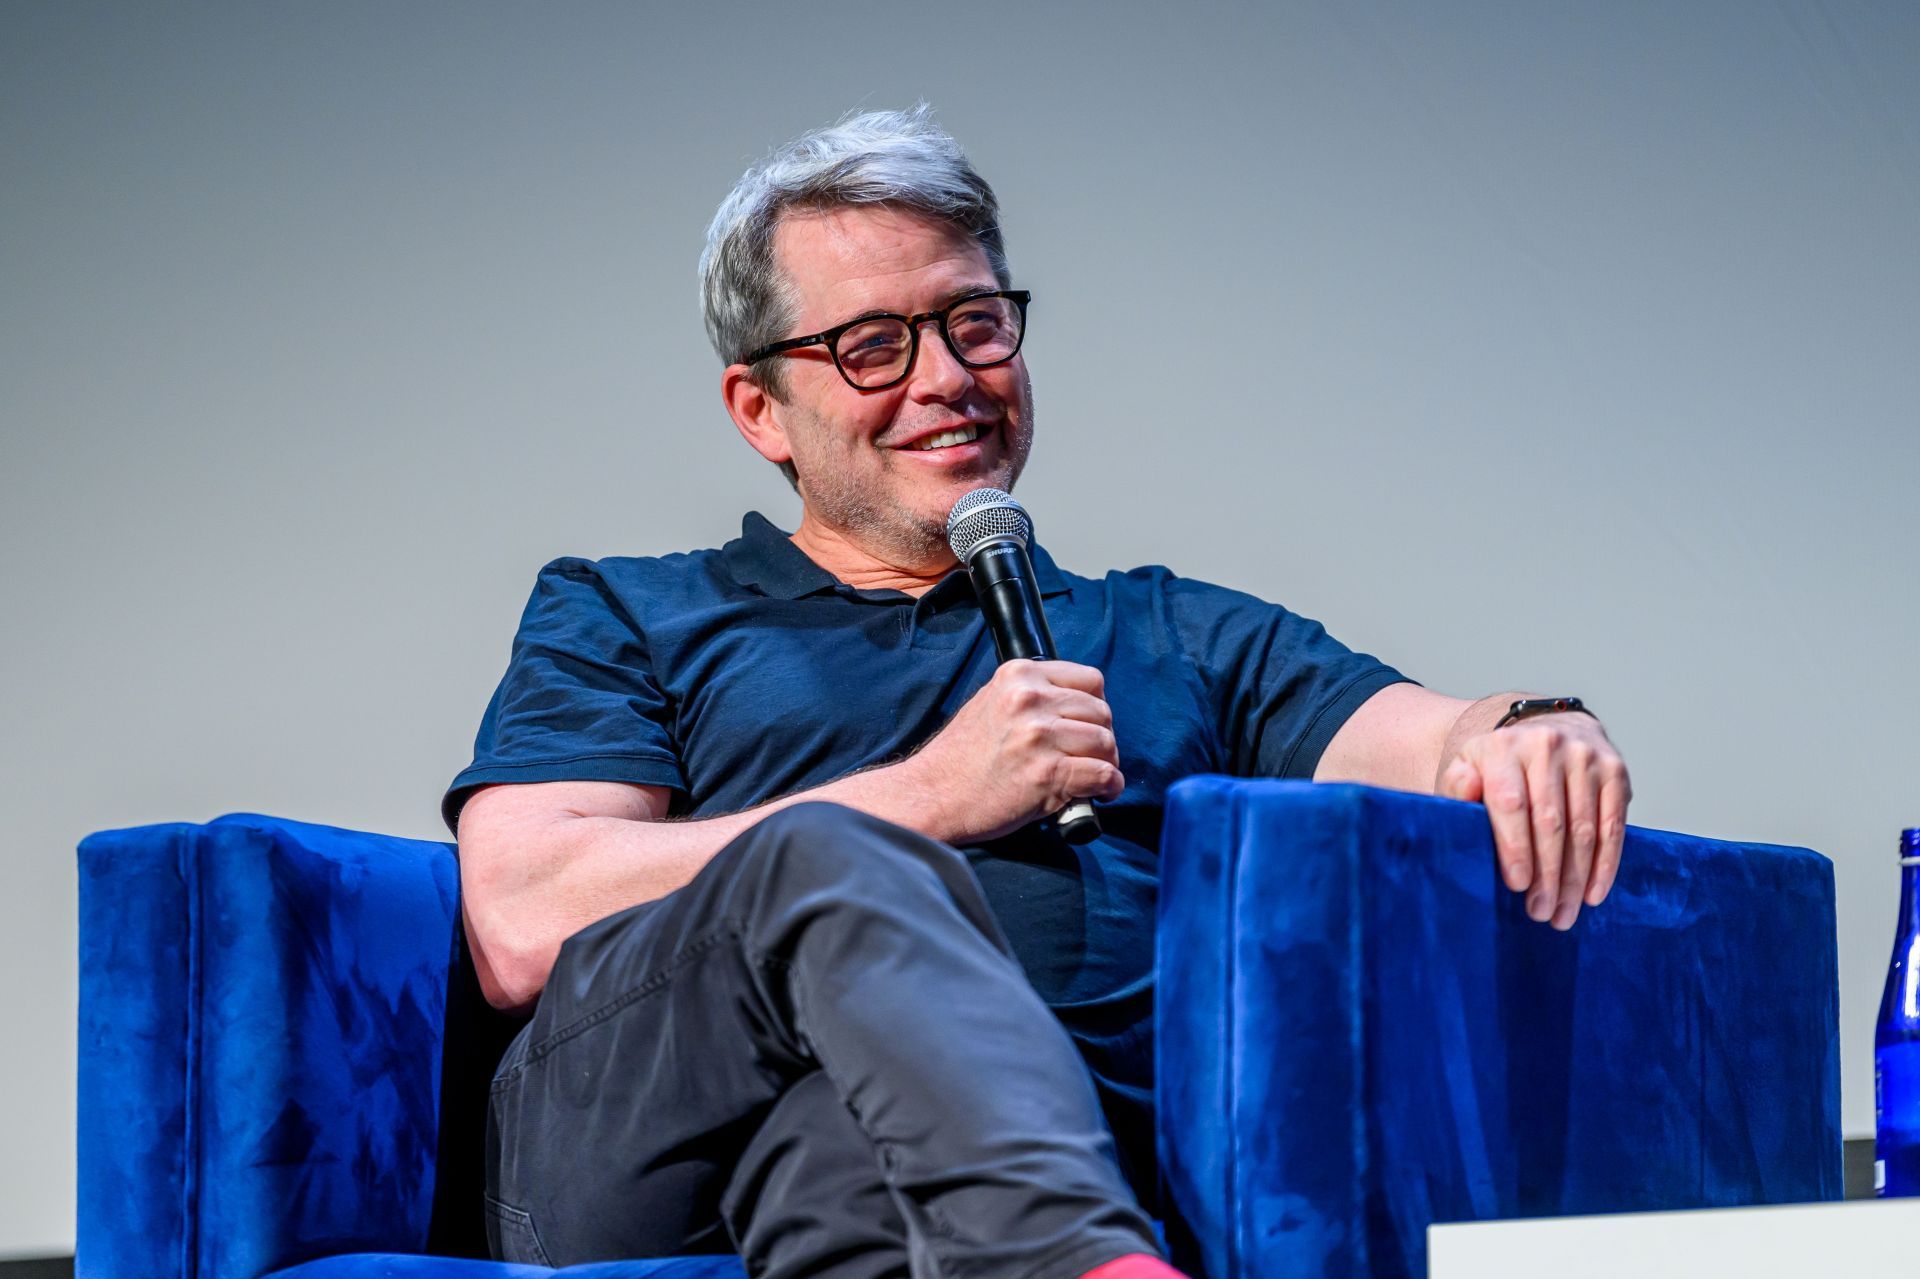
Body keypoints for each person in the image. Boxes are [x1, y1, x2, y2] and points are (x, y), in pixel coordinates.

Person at [443, 105, 1632, 1279]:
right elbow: (522, 917)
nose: (949, 378)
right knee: (828, 857)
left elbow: (1435, 739)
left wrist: (1528, 726)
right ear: (762, 409)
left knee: (845, 1158)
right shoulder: (632, 609)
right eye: (874, 346)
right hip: (634, 1152)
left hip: (958, 1161)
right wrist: (932, 794)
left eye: (977, 324)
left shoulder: (1167, 629)